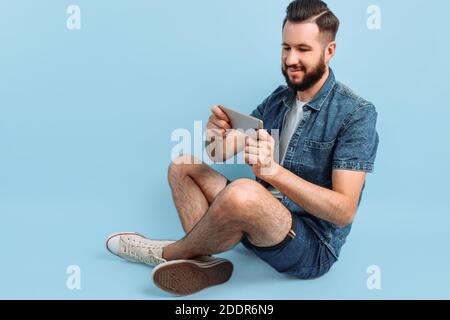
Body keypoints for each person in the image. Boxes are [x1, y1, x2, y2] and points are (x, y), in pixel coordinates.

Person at [105, 0, 379, 296]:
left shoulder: (356, 113)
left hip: (309, 246)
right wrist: (217, 135)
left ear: (329, 51)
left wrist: (273, 173)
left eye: (303, 49)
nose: (290, 59)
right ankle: (204, 263)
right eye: (286, 48)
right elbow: (221, 152)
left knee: (245, 191)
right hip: (257, 223)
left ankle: (167, 253)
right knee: (183, 166)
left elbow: (343, 211)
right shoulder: (279, 99)